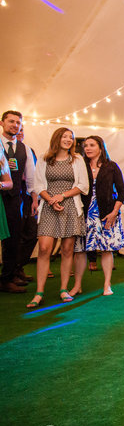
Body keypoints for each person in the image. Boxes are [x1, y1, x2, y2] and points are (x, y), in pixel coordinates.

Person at [28, 128, 89, 307]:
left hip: (70, 205)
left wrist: (62, 196)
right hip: (48, 206)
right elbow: (37, 184)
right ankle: (39, 292)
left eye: (71, 137)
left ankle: (63, 289)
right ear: (57, 138)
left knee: (68, 249)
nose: (69, 140)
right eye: (65, 136)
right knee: (45, 248)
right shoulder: (44, 158)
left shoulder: (77, 160)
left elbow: (83, 185)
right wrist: (51, 200)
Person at [70, 136, 124, 296]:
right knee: (80, 250)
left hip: (106, 213)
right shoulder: (80, 166)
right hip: (83, 212)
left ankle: (107, 284)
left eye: (92, 145)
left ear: (101, 147)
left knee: (106, 249)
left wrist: (114, 212)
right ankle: (77, 285)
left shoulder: (111, 166)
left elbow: (121, 191)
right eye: (85, 145)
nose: (87, 148)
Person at [1, 110, 37, 293]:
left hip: (15, 199)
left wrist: (34, 198)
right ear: (2, 123)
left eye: (18, 122)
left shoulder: (26, 149)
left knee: (13, 239)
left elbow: (31, 177)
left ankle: (8, 277)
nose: (15, 125)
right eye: (11, 121)